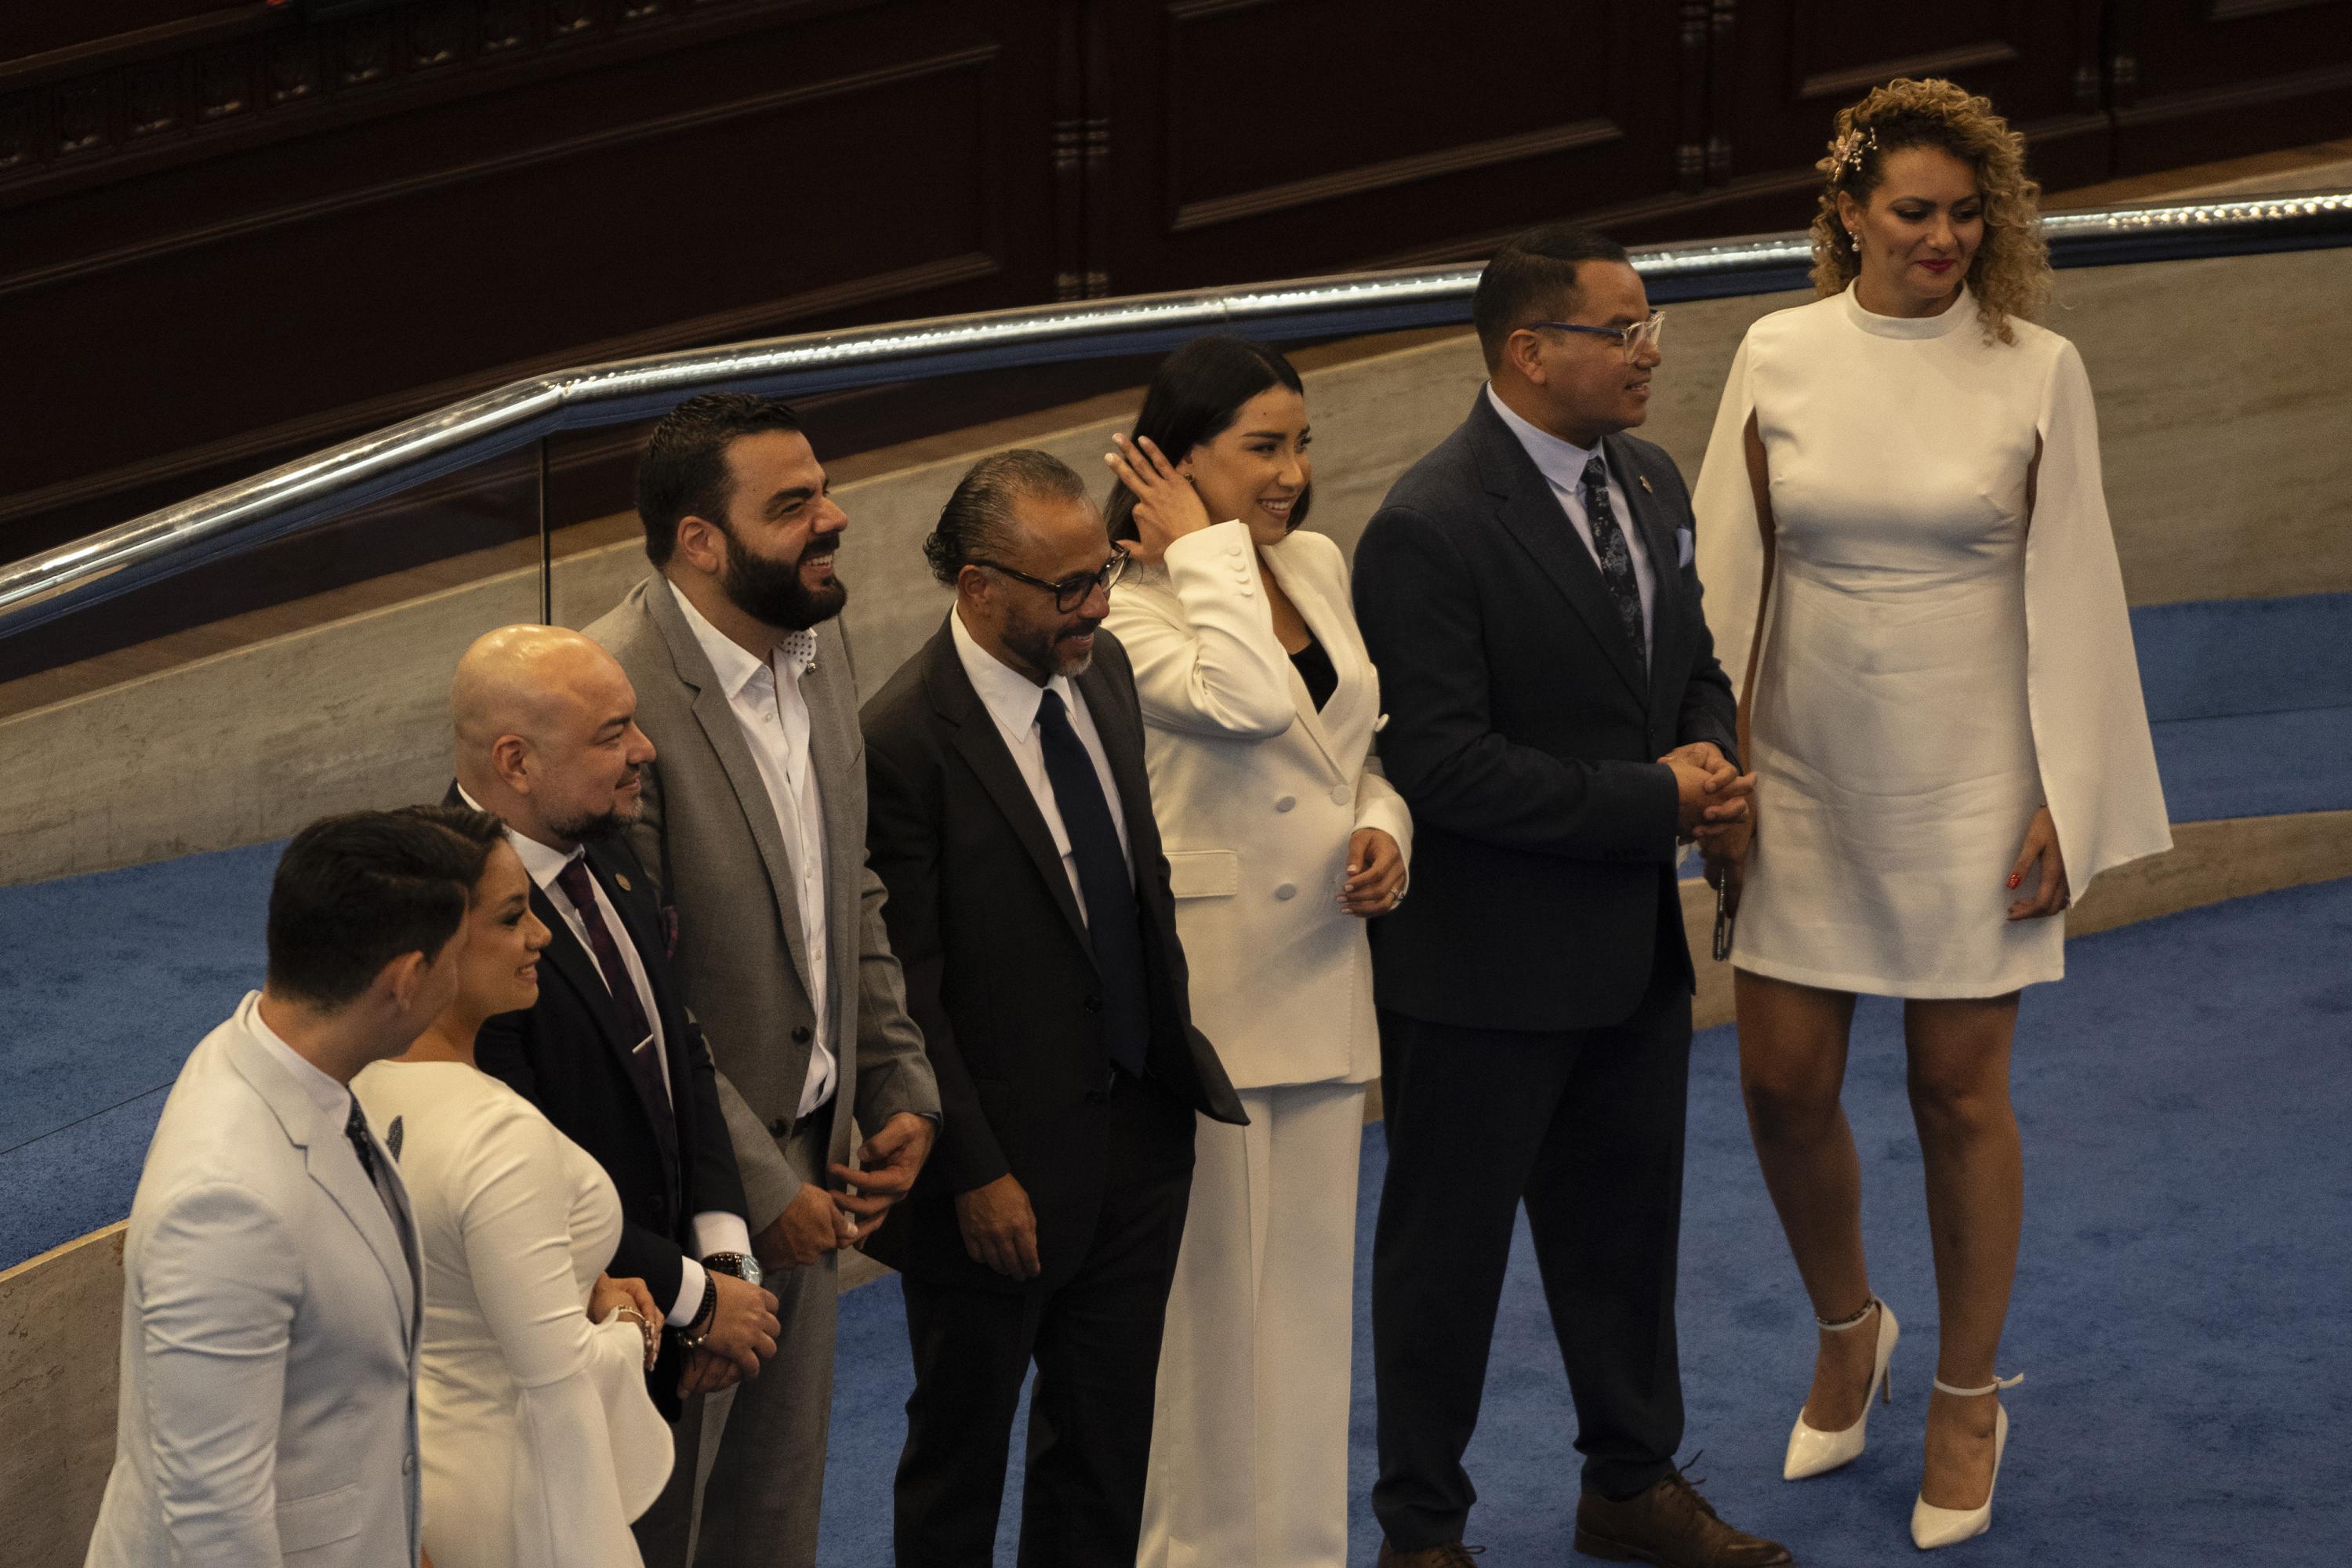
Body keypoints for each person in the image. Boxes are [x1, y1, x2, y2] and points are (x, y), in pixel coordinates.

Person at [1691, 78, 2169, 1550]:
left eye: (1968, 215)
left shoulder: (2039, 367)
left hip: (1975, 779)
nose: (1944, 238)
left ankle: (1968, 1392)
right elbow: (1727, 569)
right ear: (1848, 213)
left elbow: (2078, 589)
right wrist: (1713, 769)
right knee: (1778, 1082)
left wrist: (2062, 794)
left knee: (1957, 1094)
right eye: (1914, 212)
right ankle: (1852, 1325)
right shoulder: (1777, 349)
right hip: (1804, 768)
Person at [1352, 221, 1786, 1568]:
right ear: (1532, 352)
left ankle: (1630, 1486)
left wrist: (1711, 751)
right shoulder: (1426, 527)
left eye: (1649, 324)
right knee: (1447, 1265)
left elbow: (1691, 661)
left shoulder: (1649, 480)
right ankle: (1423, 1529)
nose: (1651, 350)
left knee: (1623, 1241)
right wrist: (1659, 802)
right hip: (1479, 975)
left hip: (1626, 959)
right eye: (1626, 329)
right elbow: (1442, 765)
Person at [859, 448, 1247, 1566]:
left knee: (1104, 1450)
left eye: (1103, 575)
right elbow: (908, 987)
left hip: (1136, 1139)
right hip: (999, 1181)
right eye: (1067, 587)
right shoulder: (900, 742)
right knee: (962, 1460)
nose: (1096, 606)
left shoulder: (1107, 671)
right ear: (979, 587)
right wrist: (974, 1170)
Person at [583, 392, 942, 1568]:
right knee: (665, 1521)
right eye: (792, 507)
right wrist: (754, 1178)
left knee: (774, 1518)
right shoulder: (611, 694)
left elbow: (854, 890)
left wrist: (896, 1079)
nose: (832, 519)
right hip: (689, 1188)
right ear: (700, 541)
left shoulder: (818, 636)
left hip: (822, 1159)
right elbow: (635, 988)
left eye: (823, 489)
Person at [1096, 334, 1410, 1568]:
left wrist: (1385, 828)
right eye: (1262, 448)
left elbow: (1351, 746)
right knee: (1210, 1327)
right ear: (1172, 464)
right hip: (1215, 1000)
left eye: (1302, 442)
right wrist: (1202, 551)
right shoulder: (1128, 610)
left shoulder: (1316, 563)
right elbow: (1243, 701)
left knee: (1305, 1314)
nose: (1292, 473)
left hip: (1326, 971)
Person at [445, 626, 782, 1565]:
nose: (647, 750)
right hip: (557, 1365)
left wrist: (725, 1262)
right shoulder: (456, 922)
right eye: (613, 732)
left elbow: (685, 1055)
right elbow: (520, 1172)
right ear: (515, 760)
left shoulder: (612, 853)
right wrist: (693, 1298)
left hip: (665, 1326)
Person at [85, 809, 474, 1568]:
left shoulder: (268, 1049)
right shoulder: (226, 1204)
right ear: (405, 981)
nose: (461, 980)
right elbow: (213, 1522)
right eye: (456, 957)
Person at [353, 804, 681, 1568]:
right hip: (526, 1503)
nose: (541, 934)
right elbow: (557, 1385)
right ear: (432, 947)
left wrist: (579, 1277)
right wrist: (632, 1326)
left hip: (419, 1485)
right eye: (512, 915)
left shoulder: (355, 1085)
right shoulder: (499, 1131)